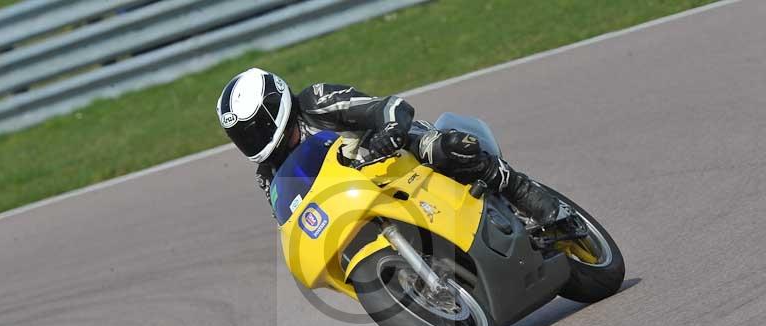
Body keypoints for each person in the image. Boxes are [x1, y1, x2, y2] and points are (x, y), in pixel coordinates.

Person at [216, 68, 560, 225]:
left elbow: (387, 106)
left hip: (398, 156)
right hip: (355, 204)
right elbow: (291, 222)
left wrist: (391, 130)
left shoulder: (316, 102)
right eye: (242, 135)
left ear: (276, 108)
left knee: (447, 148)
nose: (253, 139)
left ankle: (524, 192)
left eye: (255, 128)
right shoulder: (269, 173)